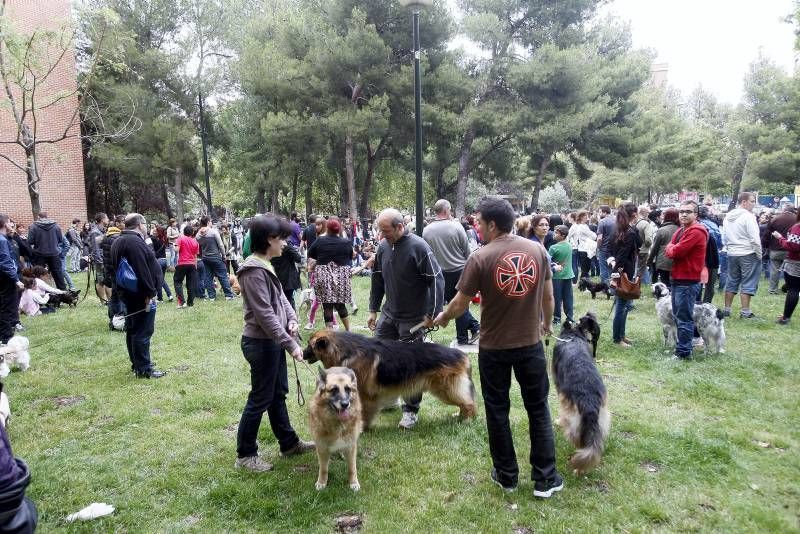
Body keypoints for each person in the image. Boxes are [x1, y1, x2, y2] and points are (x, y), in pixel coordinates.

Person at [432, 197, 562, 498]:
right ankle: (546, 478)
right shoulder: (537, 250)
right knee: (538, 408)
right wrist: (545, 324)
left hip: (494, 348)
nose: (476, 227)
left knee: (498, 410)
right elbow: (548, 297)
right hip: (530, 344)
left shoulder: (480, 257)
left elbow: (459, 304)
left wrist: (442, 318)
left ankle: (506, 476)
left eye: (478, 221)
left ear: (492, 224)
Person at [235, 215, 314, 472]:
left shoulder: (266, 265)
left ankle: (289, 444)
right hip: (261, 344)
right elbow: (265, 315)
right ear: (269, 240)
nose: (285, 243)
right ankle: (246, 455)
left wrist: (292, 321)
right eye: (282, 238)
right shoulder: (253, 271)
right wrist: (291, 344)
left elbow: (281, 302)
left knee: (277, 394)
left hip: (273, 342)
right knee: (260, 397)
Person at [368, 208, 445, 430]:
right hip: (389, 314)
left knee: (411, 365)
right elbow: (377, 279)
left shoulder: (419, 247)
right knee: (378, 355)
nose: (381, 236)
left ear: (400, 227)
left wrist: (433, 313)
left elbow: (436, 279)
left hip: (414, 318)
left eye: (385, 231)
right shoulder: (383, 247)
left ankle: (411, 410)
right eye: (379, 231)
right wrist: (373, 309)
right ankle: (390, 397)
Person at [110, 214, 166, 379]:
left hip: (129, 293)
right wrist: (150, 293)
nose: (146, 227)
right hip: (140, 294)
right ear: (140, 224)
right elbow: (142, 270)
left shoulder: (119, 240)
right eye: (145, 224)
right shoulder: (133, 242)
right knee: (142, 331)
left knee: (133, 330)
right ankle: (143, 369)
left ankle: (138, 362)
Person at [423, 199, 480, 346]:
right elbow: (467, 251)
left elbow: (427, 253)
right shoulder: (456, 226)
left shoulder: (427, 230)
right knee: (460, 304)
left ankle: (465, 336)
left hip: (440, 273)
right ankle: (474, 328)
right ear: (447, 210)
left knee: (456, 305)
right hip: (459, 270)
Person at [665, 201, 708, 360]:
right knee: (679, 315)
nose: (683, 214)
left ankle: (683, 352)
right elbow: (670, 248)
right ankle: (683, 347)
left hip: (688, 280)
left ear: (695, 214)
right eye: (681, 211)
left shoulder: (696, 231)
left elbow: (676, 251)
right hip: (677, 278)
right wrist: (671, 248)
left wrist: (671, 249)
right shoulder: (681, 230)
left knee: (684, 318)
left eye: (688, 211)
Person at [307, 218, 354, 330]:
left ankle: (330, 333)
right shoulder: (346, 242)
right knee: (340, 304)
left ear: (327, 228)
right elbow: (351, 256)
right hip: (341, 276)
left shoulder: (320, 241)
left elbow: (310, 253)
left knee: (327, 305)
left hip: (323, 275)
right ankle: (348, 330)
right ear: (338, 230)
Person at [722, 192, 762, 318]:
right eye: (752, 201)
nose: (754, 204)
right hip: (748, 252)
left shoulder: (728, 216)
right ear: (743, 202)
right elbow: (755, 238)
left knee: (732, 280)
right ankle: (745, 312)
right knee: (748, 281)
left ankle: (727, 310)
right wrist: (759, 253)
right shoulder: (748, 217)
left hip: (732, 252)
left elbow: (724, 236)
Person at [609, 202, 641, 348]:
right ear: (634, 214)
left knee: (625, 305)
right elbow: (622, 255)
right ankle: (617, 338)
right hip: (624, 272)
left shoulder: (618, 229)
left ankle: (621, 335)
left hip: (621, 270)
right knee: (622, 306)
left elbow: (610, 250)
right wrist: (616, 274)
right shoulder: (630, 232)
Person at [26, 211, 67, 290]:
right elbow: (60, 239)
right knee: (58, 274)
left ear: (38, 217)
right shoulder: (56, 226)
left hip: (39, 253)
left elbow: (30, 241)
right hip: (54, 253)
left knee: (38, 275)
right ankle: (63, 293)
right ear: (47, 217)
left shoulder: (33, 226)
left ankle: (38, 292)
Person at [196, 217, 235, 300]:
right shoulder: (213, 232)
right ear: (208, 222)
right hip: (215, 256)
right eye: (210, 221)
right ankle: (228, 295)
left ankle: (211, 296)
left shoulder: (198, 234)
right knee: (223, 275)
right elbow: (220, 245)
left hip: (205, 258)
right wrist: (224, 255)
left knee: (208, 277)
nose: (211, 223)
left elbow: (199, 245)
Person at [0, 215, 24, 345]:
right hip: (6, 278)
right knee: (8, 307)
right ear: (4, 224)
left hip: (3, 277)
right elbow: (5, 262)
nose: (12, 225)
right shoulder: (2, 241)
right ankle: (6, 338)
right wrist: (15, 279)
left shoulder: (5, 239)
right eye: (10, 222)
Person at [773, 210, 800, 325]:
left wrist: (780, 238)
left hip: (795, 262)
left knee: (793, 289)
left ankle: (785, 318)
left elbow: (793, 246)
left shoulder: (797, 228)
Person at [764, 205, 797, 294]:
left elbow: (767, 234)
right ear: (793, 211)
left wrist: (765, 247)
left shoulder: (775, 219)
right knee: (791, 271)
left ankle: (772, 289)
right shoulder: (796, 219)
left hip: (776, 249)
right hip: (791, 250)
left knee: (774, 270)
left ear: (784, 210)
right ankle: (789, 288)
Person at [548, 225, 573, 325]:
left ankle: (557, 319)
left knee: (556, 298)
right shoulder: (569, 245)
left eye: (556, 233)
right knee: (568, 298)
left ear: (563, 235)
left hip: (556, 276)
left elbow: (548, 261)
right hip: (568, 275)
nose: (554, 234)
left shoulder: (553, 247)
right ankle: (570, 318)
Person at [649, 208, 680, 287]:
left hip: (663, 261)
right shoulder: (681, 230)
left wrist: (649, 260)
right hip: (677, 261)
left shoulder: (662, 230)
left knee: (665, 282)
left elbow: (655, 248)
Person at [271, 235, 302, 310]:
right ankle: (291, 320)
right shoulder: (286, 247)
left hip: (277, 276)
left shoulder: (271, 246)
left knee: (285, 300)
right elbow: (298, 258)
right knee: (288, 301)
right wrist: (289, 246)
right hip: (288, 278)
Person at [173, 225, 199, 308]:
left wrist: (174, 245)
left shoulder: (181, 238)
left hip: (182, 263)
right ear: (192, 233)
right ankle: (190, 303)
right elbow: (195, 256)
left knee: (177, 281)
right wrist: (195, 266)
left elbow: (176, 250)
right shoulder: (195, 242)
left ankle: (182, 302)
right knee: (191, 284)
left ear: (184, 231)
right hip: (192, 264)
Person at [567, 210, 597, 281]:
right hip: (583, 249)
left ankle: (584, 284)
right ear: (581, 217)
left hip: (585, 248)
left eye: (587, 215)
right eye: (585, 215)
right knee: (585, 269)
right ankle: (584, 285)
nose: (587, 217)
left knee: (585, 269)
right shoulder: (582, 226)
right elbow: (593, 236)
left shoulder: (583, 225)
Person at [88, 213, 109, 302]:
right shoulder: (95, 232)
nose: (108, 219)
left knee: (106, 280)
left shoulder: (102, 230)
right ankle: (103, 301)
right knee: (100, 280)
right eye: (106, 218)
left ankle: (109, 300)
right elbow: (95, 249)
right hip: (100, 260)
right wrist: (100, 261)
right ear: (102, 220)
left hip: (104, 258)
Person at [150, 226, 174, 302]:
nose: (154, 232)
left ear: (158, 232)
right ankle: (169, 295)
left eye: (155, 230)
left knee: (158, 280)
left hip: (159, 261)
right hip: (164, 261)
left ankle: (160, 298)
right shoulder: (164, 240)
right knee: (162, 279)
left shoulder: (154, 239)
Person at [634, 205, 655, 285]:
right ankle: (644, 283)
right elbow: (648, 239)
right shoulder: (645, 224)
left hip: (636, 249)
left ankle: (643, 283)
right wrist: (648, 245)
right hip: (644, 250)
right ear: (645, 213)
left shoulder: (636, 223)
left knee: (640, 267)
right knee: (642, 268)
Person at [595, 205, 615, 286]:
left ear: (604, 212)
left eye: (600, 212)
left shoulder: (602, 222)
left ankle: (605, 287)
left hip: (604, 248)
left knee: (603, 269)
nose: (599, 214)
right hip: (614, 249)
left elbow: (599, 238)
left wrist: (598, 247)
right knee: (612, 267)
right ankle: (613, 285)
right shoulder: (616, 220)